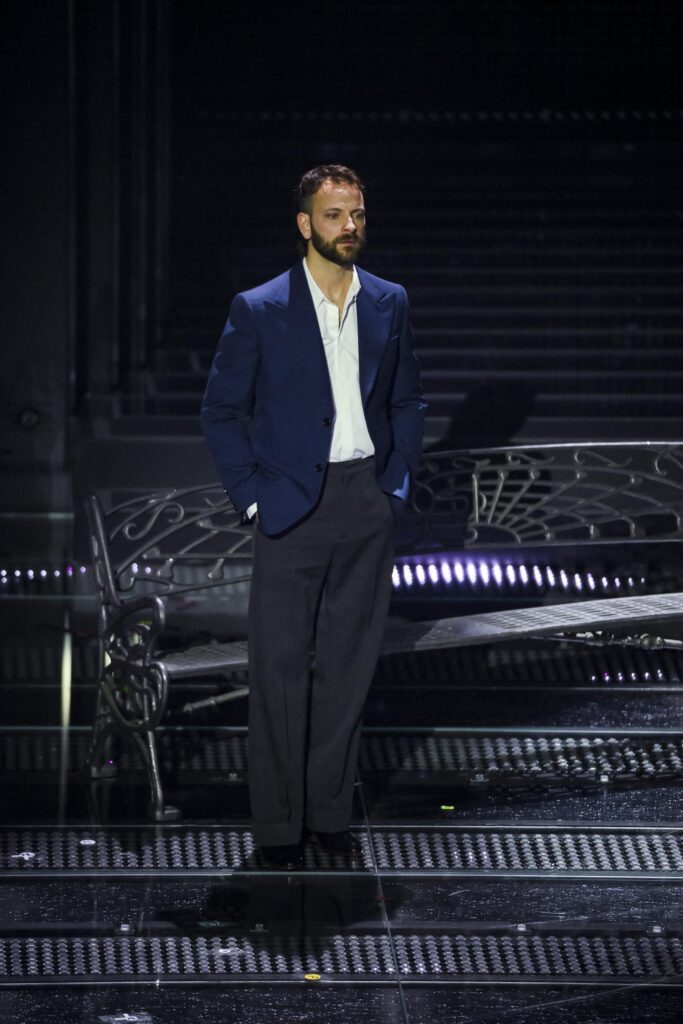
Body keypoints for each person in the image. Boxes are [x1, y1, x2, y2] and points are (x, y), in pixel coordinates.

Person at [201, 164, 425, 869]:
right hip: (292, 509)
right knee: (278, 673)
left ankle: (329, 815)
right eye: (334, 215)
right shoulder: (260, 308)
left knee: (348, 670)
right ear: (305, 224)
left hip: (365, 502)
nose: (349, 226)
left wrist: (394, 486)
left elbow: (407, 400)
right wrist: (254, 497)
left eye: (356, 214)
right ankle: (277, 827)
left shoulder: (388, 300)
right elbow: (221, 412)